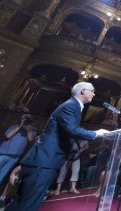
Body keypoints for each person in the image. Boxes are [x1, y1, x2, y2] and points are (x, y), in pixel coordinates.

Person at [6, 82, 109, 211]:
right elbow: (72, 130)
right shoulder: (71, 106)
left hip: (42, 160)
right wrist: (96, 133)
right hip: (44, 161)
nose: (94, 94)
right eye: (92, 91)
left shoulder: (73, 105)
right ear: (82, 91)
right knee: (29, 203)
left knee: (20, 201)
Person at [0, 114, 36, 188]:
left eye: (28, 118)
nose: (26, 119)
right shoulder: (13, 126)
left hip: (15, 156)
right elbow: (7, 136)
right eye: (24, 118)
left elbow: (30, 139)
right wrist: (20, 126)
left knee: (2, 174)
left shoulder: (32, 129)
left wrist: (28, 129)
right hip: (3, 153)